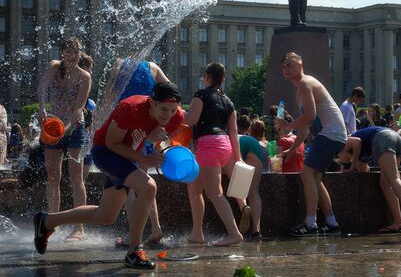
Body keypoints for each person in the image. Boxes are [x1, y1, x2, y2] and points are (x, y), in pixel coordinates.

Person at [33, 82, 184, 270]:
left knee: (105, 216)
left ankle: (47, 221)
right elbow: (112, 144)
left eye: (172, 110)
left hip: (128, 158)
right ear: (152, 102)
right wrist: (144, 157)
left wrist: (153, 146)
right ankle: (134, 251)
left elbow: (150, 142)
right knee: (149, 187)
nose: (167, 115)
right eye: (163, 109)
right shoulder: (130, 108)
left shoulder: (176, 117)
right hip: (106, 152)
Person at [276, 52, 346, 236]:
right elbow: (306, 127)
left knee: (306, 173)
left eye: (289, 65)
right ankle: (331, 222)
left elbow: (310, 116)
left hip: (330, 134)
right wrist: (292, 148)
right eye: (283, 67)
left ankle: (310, 223)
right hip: (333, 135)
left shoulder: (306, 83)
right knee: (314, 177)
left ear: (300, 64)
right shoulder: (301, 91)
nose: (286, 70)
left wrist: (287, 125)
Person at [37, 37, 92, 241]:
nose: (72, 54)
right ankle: (54, 223)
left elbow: (78, 109)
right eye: (68, 51)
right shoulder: (54, 67)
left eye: (76, 51)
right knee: (53, 176)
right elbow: (42, 88)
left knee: (76, 178)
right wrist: (42, 108)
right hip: (53, 126)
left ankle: (79, 228)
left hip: (74, 128)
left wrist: (65, 129)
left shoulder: (84, 76)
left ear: (80, 54)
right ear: (62, 53)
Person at [183, 62, 244, 246]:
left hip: (208, 145)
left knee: (214, 192)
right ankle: (197, 234)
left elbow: (191, 120)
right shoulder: (228, 101)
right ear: (223, 80)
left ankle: (234, 234)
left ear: (207, 77)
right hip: (224, 145)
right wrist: (238, 157)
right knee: (194, 189)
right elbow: (233, 132)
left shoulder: (200, 95)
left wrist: (176, 113)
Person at [112, 59, 171, 248]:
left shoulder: (119, 64)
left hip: (128, 132)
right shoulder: (152, 67)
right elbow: (171, 90)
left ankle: (133, 235)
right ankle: (156, 229)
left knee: (129, 184)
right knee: (145, 183)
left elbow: (109, 95)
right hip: (147, 131)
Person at [339, 126, 401, 232]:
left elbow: (357, 142)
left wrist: (351, 167)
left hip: (383, 138)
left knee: (394, 178)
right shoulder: (358, 153)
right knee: (386, 184)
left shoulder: (342, 142)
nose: (345, 162)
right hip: (394, 138)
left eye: (344, 162)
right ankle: (398, 222)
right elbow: (364, 170)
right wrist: (355, 166)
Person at [237, 121, 269, 239]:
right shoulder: (246, 137)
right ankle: (256, 231)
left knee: (239, 188)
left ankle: (244, 207)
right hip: (254, 145)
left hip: (237, 146)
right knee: (254, 192)